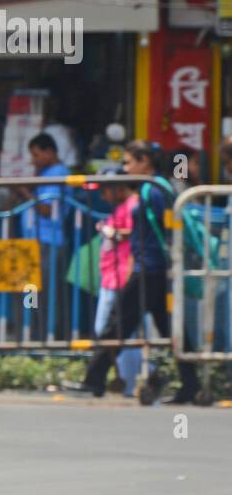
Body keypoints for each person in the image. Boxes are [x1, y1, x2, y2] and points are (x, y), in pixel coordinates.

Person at [80, 141, 201, 403]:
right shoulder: (158, 187)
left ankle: (94, 379)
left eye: (129, 162)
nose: (126, 168)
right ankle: (192, 384)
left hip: (149, 268)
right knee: (171, 330)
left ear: (144, 161)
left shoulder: (152, 191)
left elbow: (166, 228)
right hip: (155, 268)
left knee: (118, 322)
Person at [17, 133, 70, 339]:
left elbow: (48, 209)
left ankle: (48, 336)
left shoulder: (59, 173)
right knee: (30, 289)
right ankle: (33, 333)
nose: (33, 160)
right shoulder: (45, 172)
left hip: (49, 241)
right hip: (34, 241)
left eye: (36, 155)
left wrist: (26, 194)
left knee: (46, 293)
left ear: (50, 152)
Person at [94, 180, 143, 397]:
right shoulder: (124, 206)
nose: (103, 197)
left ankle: (128, 382)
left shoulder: (133, 205)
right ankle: (122, 380)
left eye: (105, 190)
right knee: (114, 332)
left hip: (121, 277)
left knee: (115, 332)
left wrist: (107, 230)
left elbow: (132, 235)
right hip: (112, 276)